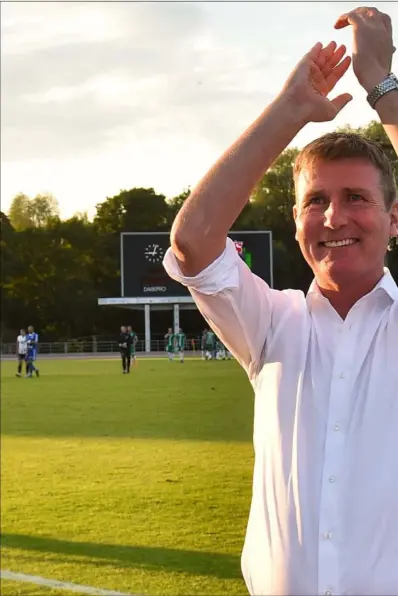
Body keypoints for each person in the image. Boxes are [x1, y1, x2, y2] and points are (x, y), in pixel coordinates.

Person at [163, 7, 398, 595]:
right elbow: (193, 241)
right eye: (315, 200)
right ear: (295, 220)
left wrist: (381, 83)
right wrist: (292, 107)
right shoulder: (271, 322)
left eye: (356, 199)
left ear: (394, 217)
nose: (334, 217)